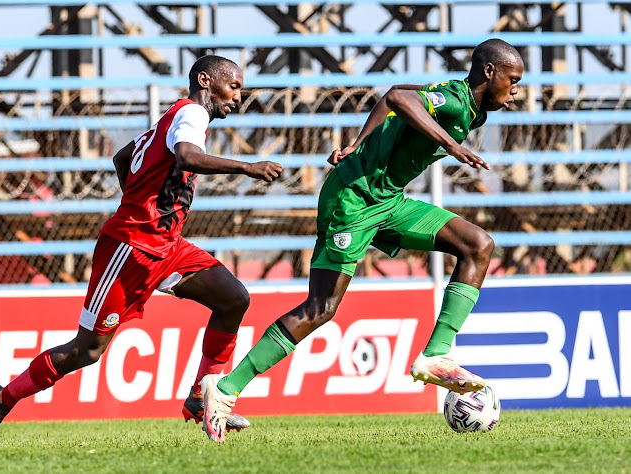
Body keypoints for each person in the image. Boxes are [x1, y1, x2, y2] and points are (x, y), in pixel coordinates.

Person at [198, 39, 524, 442]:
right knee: (321, 308)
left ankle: (436, 355)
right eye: (513, 81)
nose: (516, 92)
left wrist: (357, 141)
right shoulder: (456, 102)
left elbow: (394, 105)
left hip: (388, 201)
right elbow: (396, 98)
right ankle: (224, 389)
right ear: (489, 72)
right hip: (352, 199)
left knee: (477, 245)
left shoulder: (474, 115)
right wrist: (449, 144)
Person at [0, 55, 283, 447]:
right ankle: (0, 399)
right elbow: (186, 156)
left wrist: (141, 197)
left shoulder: (170, 118)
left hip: (167, 247)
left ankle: (205, 398)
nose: (238, 96)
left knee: (234, 298)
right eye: (233, 86)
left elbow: (122, 158)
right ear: (205, 80)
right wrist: (248, 168)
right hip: (130, 249)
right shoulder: (191, 115)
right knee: (87, 350)